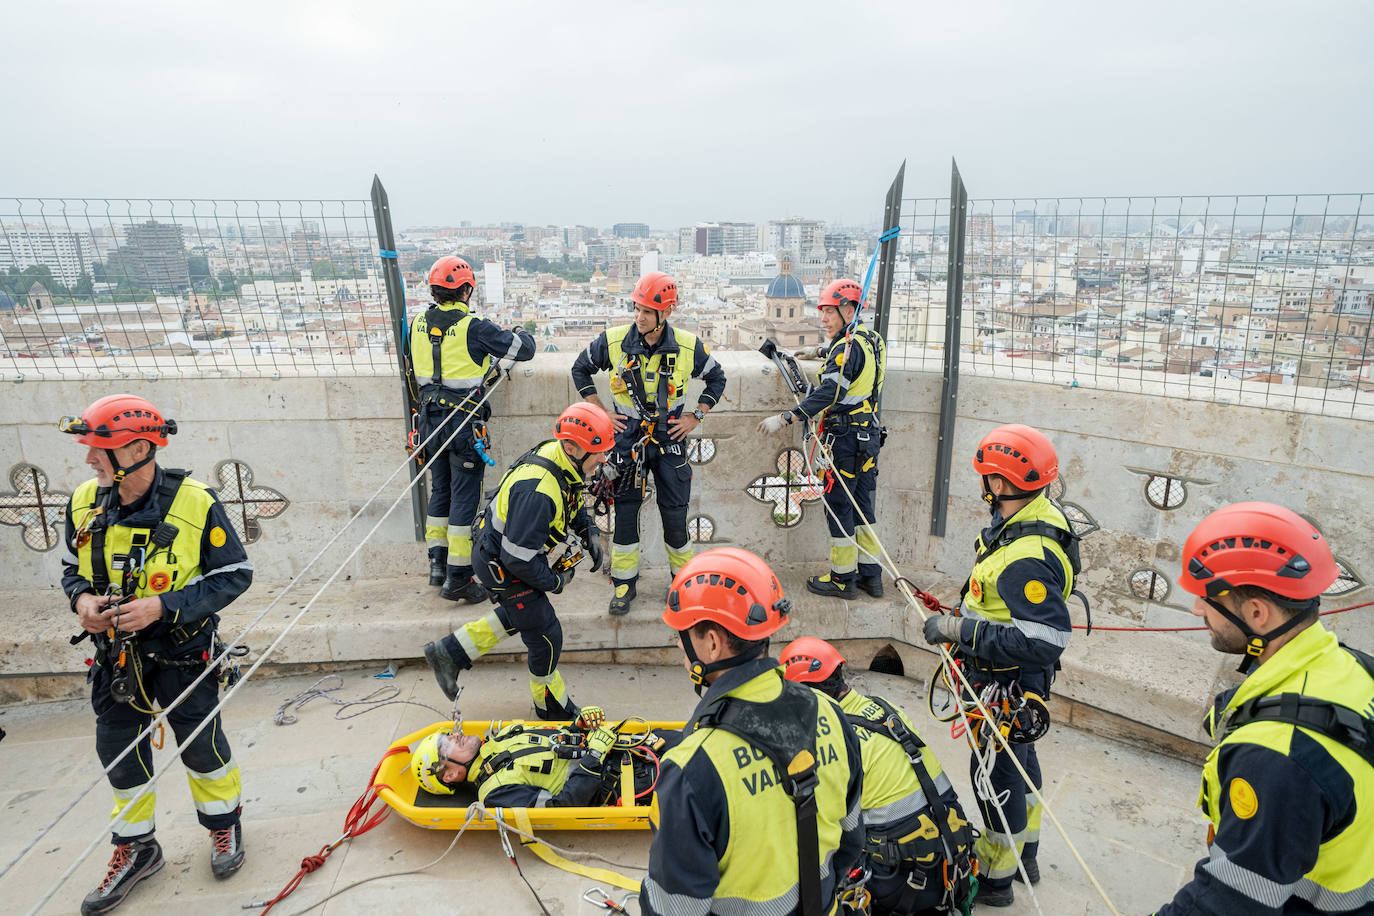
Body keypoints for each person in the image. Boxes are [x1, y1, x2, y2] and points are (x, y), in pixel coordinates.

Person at [59, 395, 254, 915]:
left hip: (182, 654)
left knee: (201, 746)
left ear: (140, 448)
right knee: (119, 755)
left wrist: (163, 607)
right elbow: (71, 568)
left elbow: (233, 575)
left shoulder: (194, 503)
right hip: (115, 659)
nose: (89, 459)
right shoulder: (84, 501)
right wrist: (82, 600)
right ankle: (137, 848)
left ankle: (223, 827)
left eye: (99, 449)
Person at [1152, 502, 1374, 915]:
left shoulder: (1276, 757)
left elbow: (1225, 902)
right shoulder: (1355, 669)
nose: (1198, 609)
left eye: (1207, 600)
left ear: (1256, 612)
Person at [641, 547, 865, 916]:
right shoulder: (830, 712)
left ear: (711, 643)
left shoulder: (691, 767)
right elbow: (851, 839)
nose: (681, 649)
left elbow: (672, 909)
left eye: (683, 637)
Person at [919, 423, 1077, 908]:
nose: (983, 483)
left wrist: (957, 632)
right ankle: (1026, 855)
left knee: (994, 777)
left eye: (987, 476)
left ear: (1003, 485)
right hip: (1016, 680)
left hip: (1000, 681)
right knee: (1022, 767)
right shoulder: (1036, 519)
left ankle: (995, 877)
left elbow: (1045, 639)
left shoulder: (1024, 557)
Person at [422, 401, 613, 720]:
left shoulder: (561, 459)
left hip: (504, 552)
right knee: (546, 634)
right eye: (599, 451)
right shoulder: (538, 492)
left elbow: (572, 496)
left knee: (522, 613)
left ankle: (449, 653)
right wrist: (555, 581)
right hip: (503, 563)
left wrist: (588, 529)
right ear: (572, 447)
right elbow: (519, 560)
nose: (604, 459)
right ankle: (550, 705)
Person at [781, 637, 975, 916]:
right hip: (952, 858)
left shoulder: (833, 738)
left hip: (904, 880)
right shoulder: (881, 706)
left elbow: (823, 826)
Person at [571, 271, 726, 616]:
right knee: (625, 515)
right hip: (628, 443)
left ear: (665, 313)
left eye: (647, 311)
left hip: (670, 439)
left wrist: (696, 416)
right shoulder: (612, 342)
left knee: (676, 517)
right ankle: (624, 585)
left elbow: (717, 377)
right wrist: (600, 412)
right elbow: (580, 368)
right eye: (637, 308)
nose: (639, 317)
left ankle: (683, 583)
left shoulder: (687, 346)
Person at [408, 255, 535, 601]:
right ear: (466, 290)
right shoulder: (474, 327)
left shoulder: (416, 323)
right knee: (465, 497)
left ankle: (438, 564)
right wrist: (521, 331)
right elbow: (524, 349)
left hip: (429, 423)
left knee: (441, 492)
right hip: (463, 423)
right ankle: (460, 577)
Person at [758, 279, 886, 600]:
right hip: (867, 436)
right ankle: (871, 576)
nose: (824, 319)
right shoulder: (871, 339)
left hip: (844, 440)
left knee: (839, 507)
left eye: (829, 312)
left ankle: (843, 580)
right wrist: (818, 351)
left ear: (847, 310)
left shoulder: (846, 348)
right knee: (863, 510)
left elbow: (831, 391)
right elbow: (851, 356)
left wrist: (789, 416)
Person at [409, 706, 663, 807]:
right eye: (446, 743)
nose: (455, 735)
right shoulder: (494, 792)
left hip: (629, 748)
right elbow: (561, 807)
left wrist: (579, 725)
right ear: (451, 773)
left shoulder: (505, 735)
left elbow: (558, 741)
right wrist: (594, 754)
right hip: (629, 781)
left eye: (449, 734)